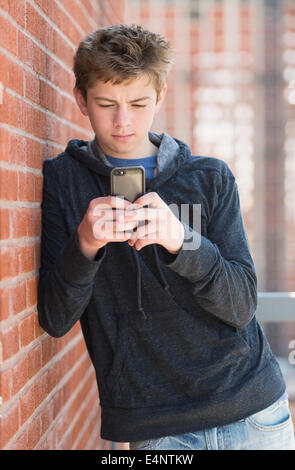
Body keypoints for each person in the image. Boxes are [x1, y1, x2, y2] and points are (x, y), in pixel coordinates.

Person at [37, 24, 295, 450]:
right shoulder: (66, 183)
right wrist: (84, 244)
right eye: (107, 104)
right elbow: (55, 318)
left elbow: (242, 304)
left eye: (138, 103)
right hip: (158, 433)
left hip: (254, 416)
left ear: (160, 97)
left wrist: (183, 241)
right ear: (81, 100)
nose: (123, 120)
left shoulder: (208, 177)